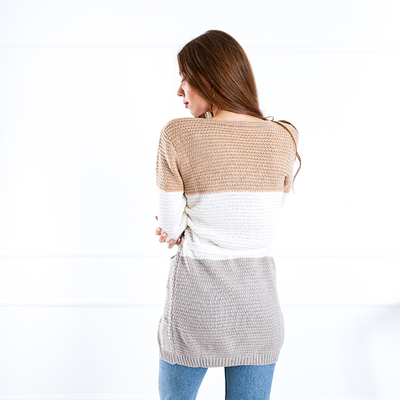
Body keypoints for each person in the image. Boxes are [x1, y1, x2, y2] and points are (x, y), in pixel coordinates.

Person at [154, 30, 301, 400]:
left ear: (208, 78)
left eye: (185, 78)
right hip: (259, 310)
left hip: (197, 307)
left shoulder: (177, 134)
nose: (179, 90)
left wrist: (178, 226)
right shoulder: (284, 136)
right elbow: (261, 215)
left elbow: (170, 226)